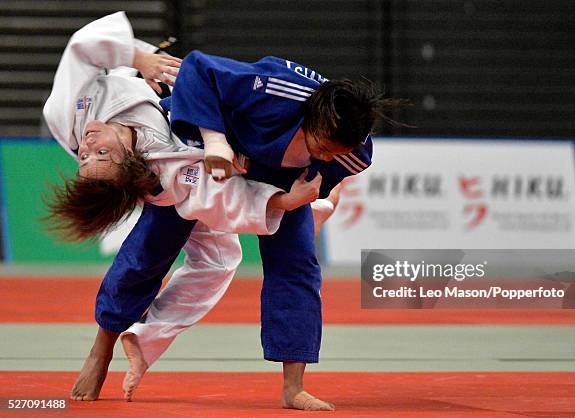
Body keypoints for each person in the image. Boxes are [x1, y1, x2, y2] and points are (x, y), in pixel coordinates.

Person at [40, 11, 326, 404]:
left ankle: (143, 341)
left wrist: (137, 57)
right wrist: (279, 200)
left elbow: (83, 47)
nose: (87, 145)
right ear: (128, 158)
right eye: (99, 153)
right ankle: (101, 346)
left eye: (87, 155)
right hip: (180, 161)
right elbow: (211, 195)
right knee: (148, 257)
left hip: (161, 95)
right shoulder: (160, 166)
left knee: (220, 260)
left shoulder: (68, 117)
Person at [117, 49, 400, 410]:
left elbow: (323, 178)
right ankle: (106, 341)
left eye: (335, 153)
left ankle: (293, 388)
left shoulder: (353, 152)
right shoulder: (275, 90)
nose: (328, 156)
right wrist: (216, 141)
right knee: (153, 244)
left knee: (297, 267)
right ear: (316, 119)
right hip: (209, 153)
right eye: (324, 147)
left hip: (276, 180)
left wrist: (302, 199)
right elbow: (197, 68)